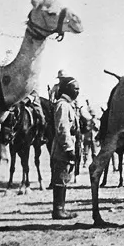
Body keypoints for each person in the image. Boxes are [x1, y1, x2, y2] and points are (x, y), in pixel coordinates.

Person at [50, 77, 79, 219]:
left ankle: (61, 208)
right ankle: (58, 210)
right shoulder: (62, 105)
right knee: (60, 178)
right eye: (75, 88)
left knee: (64, 177)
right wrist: (68, 148)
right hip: (62, 148)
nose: (77, 91)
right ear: (67, 89)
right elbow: (62, 128)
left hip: (67, 145)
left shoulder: (68, 105)